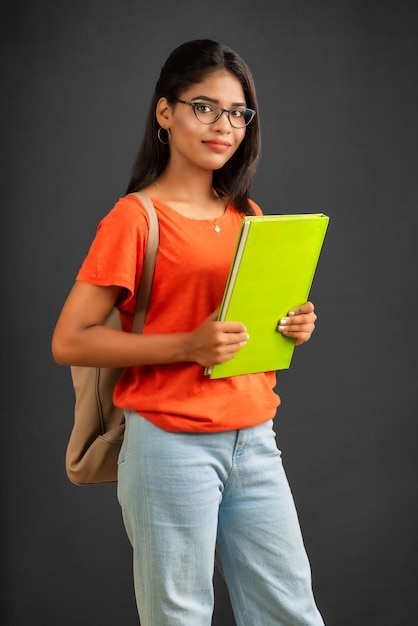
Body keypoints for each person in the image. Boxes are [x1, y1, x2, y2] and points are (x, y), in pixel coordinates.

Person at [52, 39, 325, 626]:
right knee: (179, 616)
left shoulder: (247, 216)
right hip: (168, 443)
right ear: (165, 112)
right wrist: (186, 345)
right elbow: (70, 339)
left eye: (237, 113)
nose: (224, 126)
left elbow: (246, 328)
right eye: (205, 107)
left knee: (291, 612)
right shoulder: (136, 218)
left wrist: (292, 325)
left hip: (254, 437)